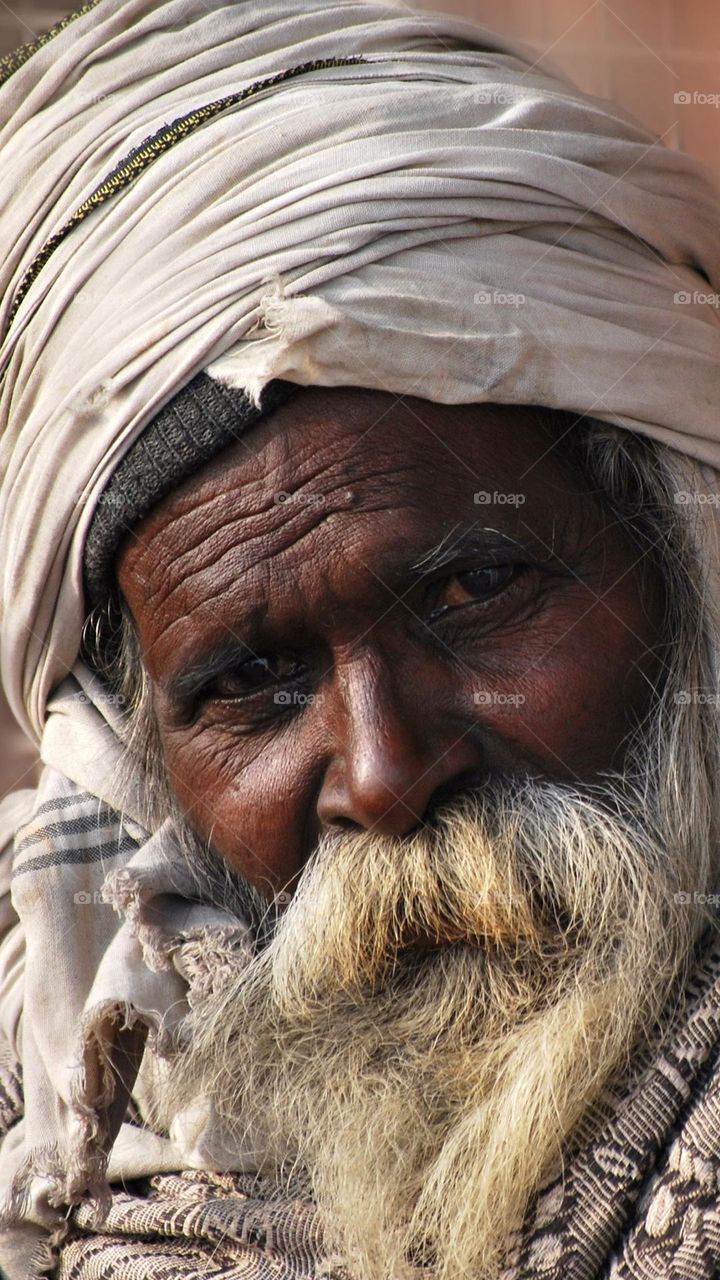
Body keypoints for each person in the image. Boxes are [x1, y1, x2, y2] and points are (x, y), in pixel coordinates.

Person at [1, 2, 720, 1277]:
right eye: (252, 681)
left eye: (477, 588)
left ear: (677, 558)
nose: (385, 775)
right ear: (128, 745)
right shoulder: (51, 1102)